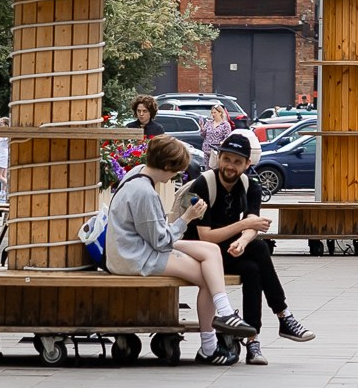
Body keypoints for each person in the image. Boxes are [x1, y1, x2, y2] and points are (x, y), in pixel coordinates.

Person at [105, 137, 255, 359]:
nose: (175, 177)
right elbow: (161, 241)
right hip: (135, 257)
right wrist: (187, 217)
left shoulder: (136, 172)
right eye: (176, 171)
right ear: (167, 166)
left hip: (131, 248)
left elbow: (155, 234)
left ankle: (223, 314)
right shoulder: (145, 192)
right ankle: (209, 347)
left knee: (210, 251)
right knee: (208, 278)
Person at [189, 133, 315, 363]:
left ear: (248, 164)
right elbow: (205, 237)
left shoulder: (250, 187)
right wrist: (245, 227)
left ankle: (253, 341)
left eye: (238, 162)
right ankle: (283, 316)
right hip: (200, 255)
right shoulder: (204, 184)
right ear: (218, 158)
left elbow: (252, 225)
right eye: (226, 159)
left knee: (252, 267)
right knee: (259, 249)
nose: (230, 166)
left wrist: (243, 240)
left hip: (227, 250)